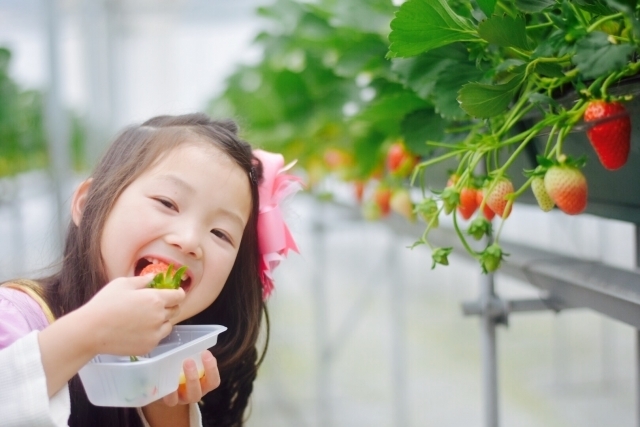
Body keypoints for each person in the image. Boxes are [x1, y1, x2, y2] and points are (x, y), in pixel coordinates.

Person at [0, 113, 302, 427]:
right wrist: (89, 332)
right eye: (167, 203)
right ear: (88, 203)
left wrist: (166, 410)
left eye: (220, 233)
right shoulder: (13, 316)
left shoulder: (183, 368)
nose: (188, 241)